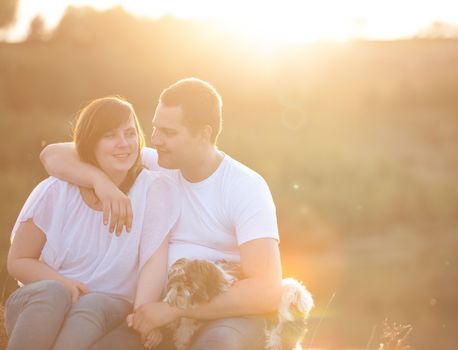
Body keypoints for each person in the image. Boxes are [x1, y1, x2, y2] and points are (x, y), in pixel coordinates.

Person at [40, 78, 283, 350]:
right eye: (155, 128)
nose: (155, 140)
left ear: (203, 134)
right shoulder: (158, 162)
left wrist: (177, 309)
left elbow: (267, 289)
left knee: (215, 345)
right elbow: (52, 155)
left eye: (168, 132)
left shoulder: (245, 186)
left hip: (223, 313)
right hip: (154, 312)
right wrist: (101, 183)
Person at [5, 97, 179, 350]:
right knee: (53, 293)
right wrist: (64, 285)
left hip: (108, 307)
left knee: (93, 303)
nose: (123, 143)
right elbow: (17, 261)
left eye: (130, 133)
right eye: (110, 135)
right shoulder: (56, 190)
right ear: (89, 144)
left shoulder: (154, 190)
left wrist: (144, 317)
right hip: (43, 306)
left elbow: (153, 261)